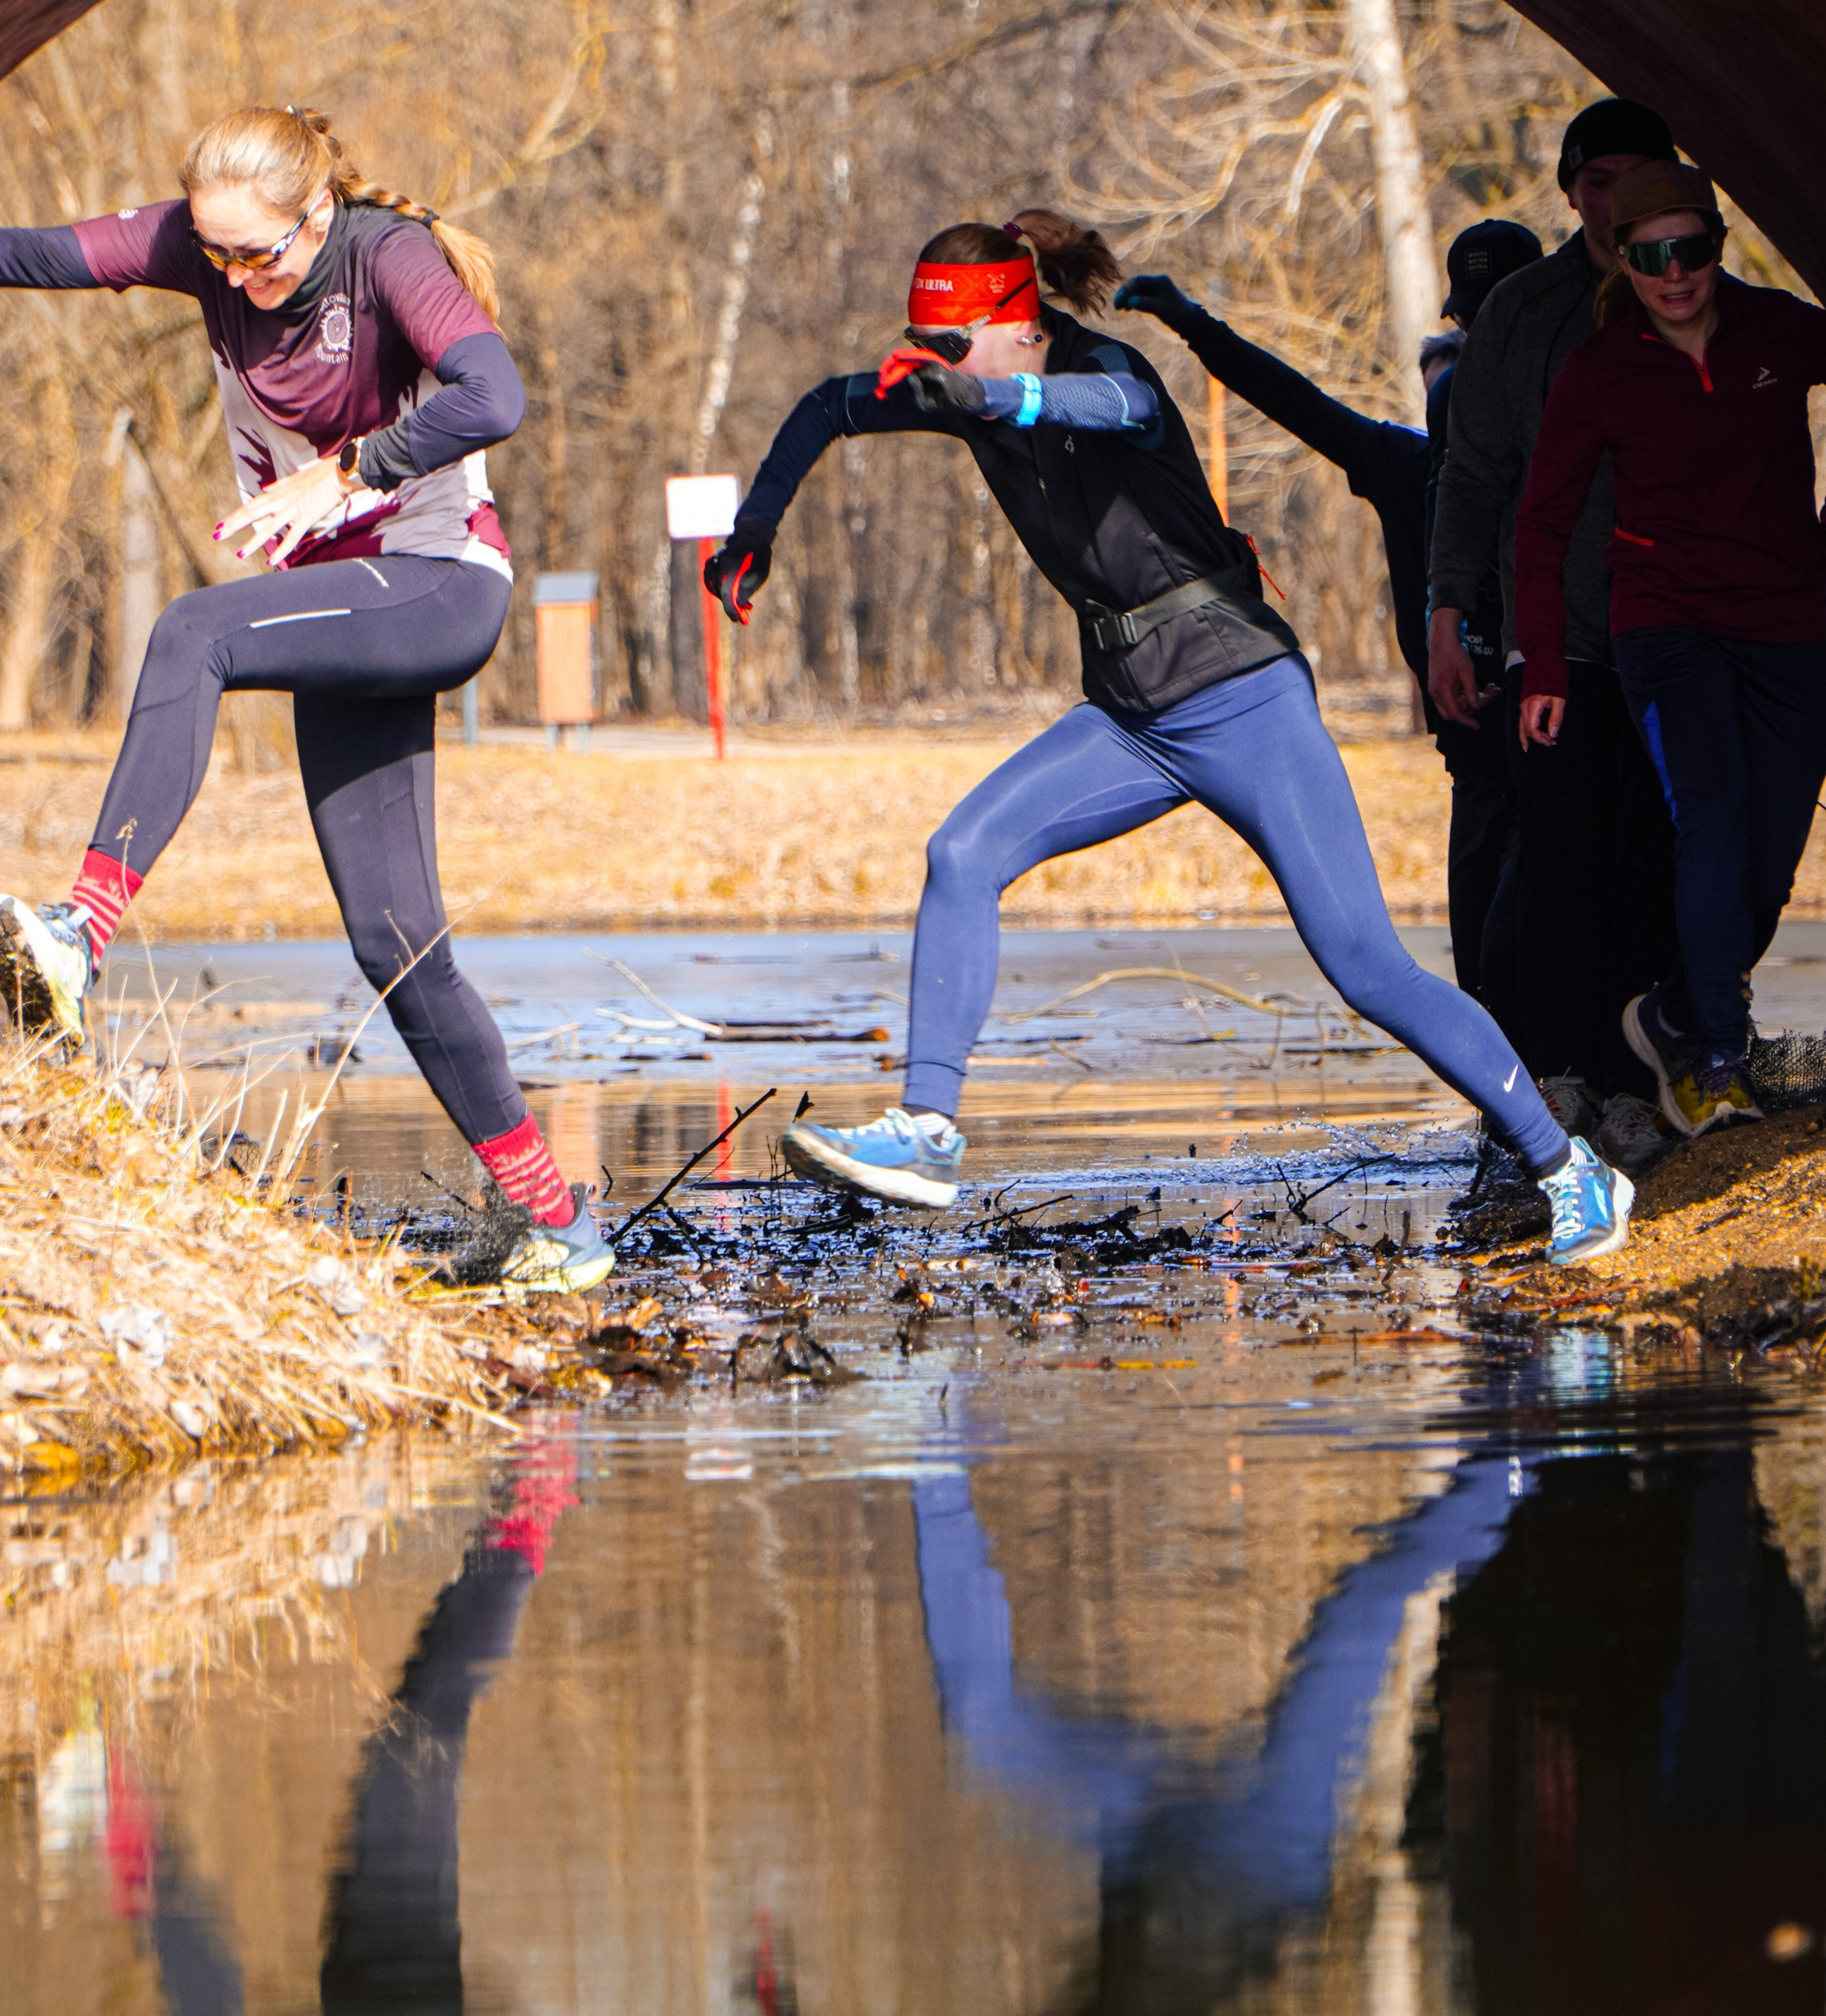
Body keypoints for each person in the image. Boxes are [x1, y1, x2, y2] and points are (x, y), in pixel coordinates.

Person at [705, 210, 1631, 1269]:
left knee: (1369, 969)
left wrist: (987, 397)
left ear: (1018, 322)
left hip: (1244, 698)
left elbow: (1119, 406)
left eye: (953, 346)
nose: (936, 365)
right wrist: (756, 529)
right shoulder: (965, 378)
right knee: (961, 854)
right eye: (928, 347)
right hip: (1132, 717)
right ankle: (928, 1134)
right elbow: (832, 404)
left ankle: (1572, 1170)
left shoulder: (1103, 369)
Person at [0, 116, 610, 1290]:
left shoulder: (383, 254)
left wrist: (354, 470)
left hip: (439, 584)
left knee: (193, 629)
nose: (236, 278)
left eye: (259, 257)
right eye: (214, 257)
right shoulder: (205, 247)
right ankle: (555, 1226)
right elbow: (46, 254)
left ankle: (80, 934)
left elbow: (493, 393)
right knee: (394, 941)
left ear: (314, 215)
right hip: (342, 609)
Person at [1115, 212, 1539, 1032]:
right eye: (1460, 342)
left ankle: (1592, 1098)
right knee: (1482, 973)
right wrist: (1191, 323)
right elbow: (1293, 401)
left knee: (1533, 945)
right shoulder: (1403, 466)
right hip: (1474, 773)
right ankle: (1523, 1127)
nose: (1463, 374)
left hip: (1557, 757)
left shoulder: (1566, 449)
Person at [1515, 162, 1826, 1135]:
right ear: (1624, 260)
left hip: (1790, 623)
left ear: (1716, 247)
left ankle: (1674, 1014)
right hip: (1665, 624)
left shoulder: (1780, 330)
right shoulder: (1601, 371)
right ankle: (1717, 1058)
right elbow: (1541, 522)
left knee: (1771, 857)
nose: (1674, 274)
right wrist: (1546, 662)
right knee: (1714, 812)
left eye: (1689, 251)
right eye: (1650, 257)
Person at [1428, 99, 1682, 1122]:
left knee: (1664, 851)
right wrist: (1448, 615)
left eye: (1636, 177)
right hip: (1557, 637)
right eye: (1597, 178)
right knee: (1558, 855)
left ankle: (1650, 1068)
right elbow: (1472, 472)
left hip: (1684, 631)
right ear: (1572, 189)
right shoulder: (1523, 314)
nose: (1614, 200)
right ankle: (1562, 1073)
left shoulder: (1696, 291)